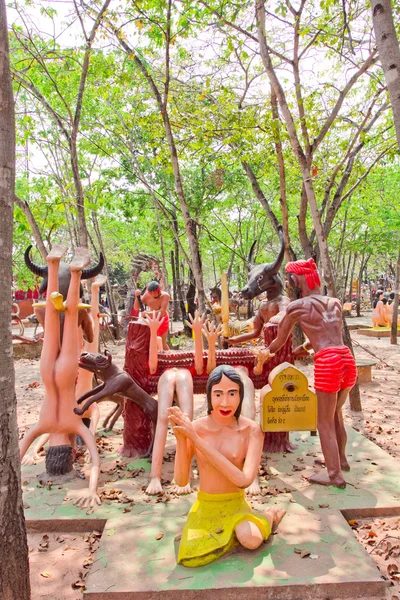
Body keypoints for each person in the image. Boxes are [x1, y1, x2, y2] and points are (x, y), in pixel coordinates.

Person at [168, 365, 285, 567]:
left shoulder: (251, 430)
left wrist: (195, 440)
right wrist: (181, 439)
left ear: (240, 396)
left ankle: (268, 516)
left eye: (232, 394)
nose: (224, 402)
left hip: (236, 505)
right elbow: (181, 480)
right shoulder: (196, 428)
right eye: (218, 394)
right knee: (193, 555)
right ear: (209, 395)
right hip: (205, 505)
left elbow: (244, 481)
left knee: (251, 540)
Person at [263, 258, 357, 489]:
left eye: (289, 279)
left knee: (323, 421)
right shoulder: (334, 302)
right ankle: (340, 460)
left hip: (328, 362)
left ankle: (334, 475)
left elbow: (279, 340)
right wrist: (305, 348)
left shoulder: (298, 306)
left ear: (295, 280)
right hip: (346, 358)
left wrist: (265, 352)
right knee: (336, 414)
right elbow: (329, 333)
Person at [19, 245, 101, 507]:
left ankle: (70, 272)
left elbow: (95, 460)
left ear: (70, 449)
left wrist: (92, 488)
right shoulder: (42, 426)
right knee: (58, 318)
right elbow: (17, 459)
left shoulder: (71, 427)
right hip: (49, 372)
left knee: (65, 311)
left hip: (64, 375)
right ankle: (55, 265)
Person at [133, 281, 170, 350]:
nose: (153, 296)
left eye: (155, 294)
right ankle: (155, 359)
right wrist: (137, 297)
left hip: (162, 320)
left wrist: (147, 313)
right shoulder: (147, 295)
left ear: (159, 290)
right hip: (152, 320)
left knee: (162, 343)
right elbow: (136, 307)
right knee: (152, 343)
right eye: (151, 294)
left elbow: (162, 312)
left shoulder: (165, 296)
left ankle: (170, 359)